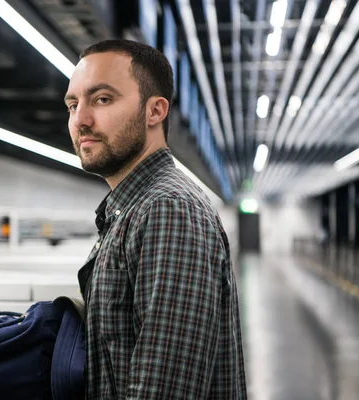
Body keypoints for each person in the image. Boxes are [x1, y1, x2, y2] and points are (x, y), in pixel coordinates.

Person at [64, 39, 247, 399]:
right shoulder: (132, 210)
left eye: (102, 99)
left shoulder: (168, 210)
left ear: (155, 111)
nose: (81, 120)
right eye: (73, 104)